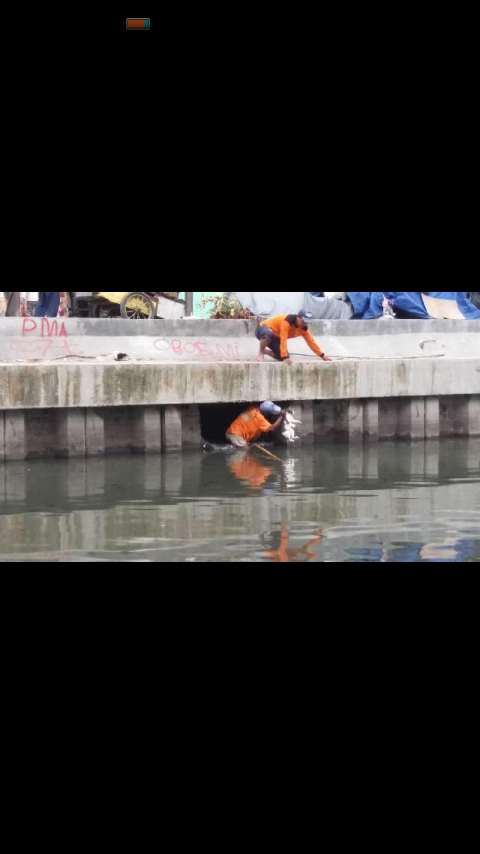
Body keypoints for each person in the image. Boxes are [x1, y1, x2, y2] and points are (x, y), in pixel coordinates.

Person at [255, 309, 332, 364]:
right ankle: (261, 352)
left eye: (306, 323)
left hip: (275, 337)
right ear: (298, 317)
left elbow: (311, 342)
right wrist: (285, 358)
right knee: (268, 335)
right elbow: (283, 338)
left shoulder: (304, 329)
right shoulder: (288, 321)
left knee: (282, 356)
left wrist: (322, 355)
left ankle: (265, 351)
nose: (304, 324)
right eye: (303, 321)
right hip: (262, 329)